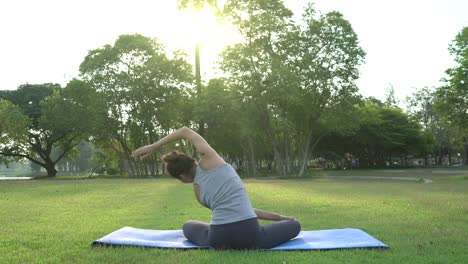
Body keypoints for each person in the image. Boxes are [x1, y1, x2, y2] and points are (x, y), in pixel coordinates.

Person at [131, 127, 301, 250]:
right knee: (295, 226)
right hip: (250, 236)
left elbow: (233, 210)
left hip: (218, 238)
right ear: (191, 161)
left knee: (188, 226)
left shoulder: (198, 192)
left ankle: (214, 237)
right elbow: (185, 131)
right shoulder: (211, 159)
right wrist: (281, 218)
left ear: (181, 177)